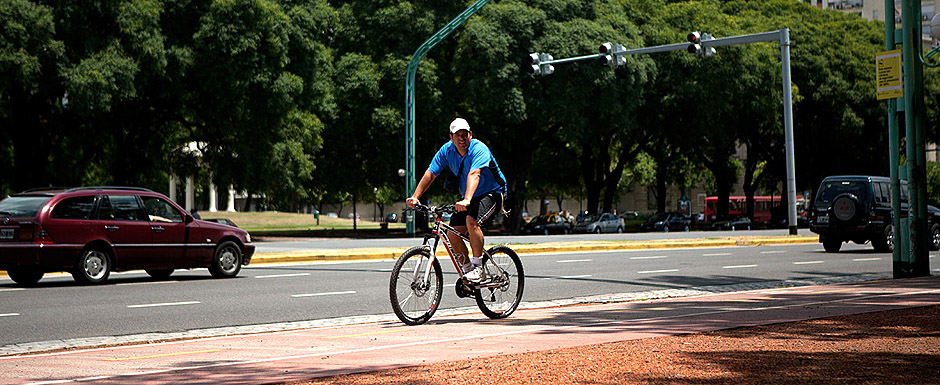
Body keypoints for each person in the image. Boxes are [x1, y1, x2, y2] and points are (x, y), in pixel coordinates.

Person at [406, 118, 507, 282]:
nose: (461, 138)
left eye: (464, 134)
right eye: (457, 135)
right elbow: (430, 174)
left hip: (493, 193)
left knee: (471, 220)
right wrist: (416, 196)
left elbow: (475, 174)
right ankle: (467, 271)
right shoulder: (446, 151)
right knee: (452, 232)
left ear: (470, 135)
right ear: (451, 137)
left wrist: (466, 199)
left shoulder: (479, 149)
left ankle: (478, 268)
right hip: (471, 196)